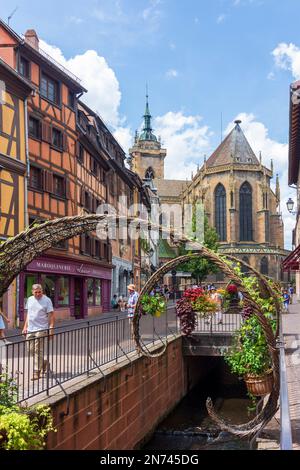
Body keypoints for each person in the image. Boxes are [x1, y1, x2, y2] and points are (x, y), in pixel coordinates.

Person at [22, 284, 55, 380]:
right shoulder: (30, 299)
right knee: (30, 350)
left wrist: (51, 328)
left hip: (42, 328)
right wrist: (25, 327)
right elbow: (29, 314)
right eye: (35, 292)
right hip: (30, 328)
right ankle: (44, 363)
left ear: (42, 291)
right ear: (32, 292)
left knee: (38, 350)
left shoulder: (47, 300)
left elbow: (52, 315)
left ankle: (37, 371)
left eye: (39, 292)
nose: (37, 294)